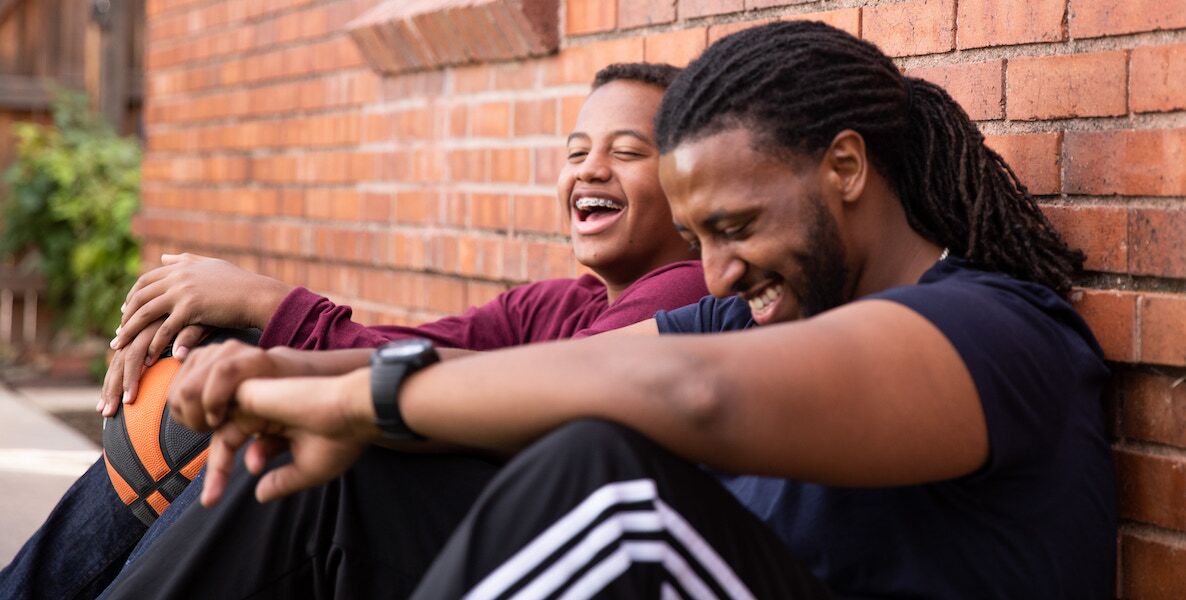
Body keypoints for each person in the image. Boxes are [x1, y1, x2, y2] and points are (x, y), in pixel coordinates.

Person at [102, 21, 1115, 599]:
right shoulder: (751, 318)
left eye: (735, 226)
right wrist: (290, 377)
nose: (715, 272)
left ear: (844, 168)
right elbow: (531, 374)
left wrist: (354, 395)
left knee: (608, 487)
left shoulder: (996, 331)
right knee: (339, 473)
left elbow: (681, 390)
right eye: (698, 236)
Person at [0, 62, 708, 599]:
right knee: (231, 364)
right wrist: (244, 324)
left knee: (312, 453)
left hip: (559, 557)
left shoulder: (687, 292)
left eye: (627, 152)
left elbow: (536, 404)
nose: (590, 169)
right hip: (494, 522)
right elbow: (407, 349)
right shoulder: (560, 304)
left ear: (688, 182)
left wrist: (270, 305)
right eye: (577, 152)